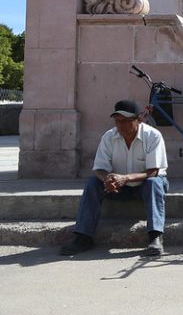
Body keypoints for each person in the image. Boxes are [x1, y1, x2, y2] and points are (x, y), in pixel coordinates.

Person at [59, 100, 169, 256]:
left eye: (126, 121)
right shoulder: (109, 137)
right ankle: (83, 237)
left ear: (138, 119)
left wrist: (125, 178)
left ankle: (155, 237)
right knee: (92, 183)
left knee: (154, 183)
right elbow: (99, 168)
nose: (121, 125)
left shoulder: (153, 136)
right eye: (118, 121)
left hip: (145, 184)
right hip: (120, 187)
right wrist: (108, 180)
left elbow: (153, 171)